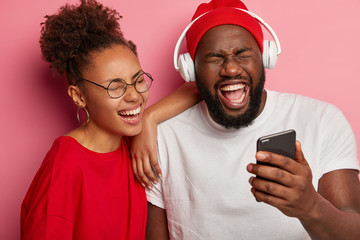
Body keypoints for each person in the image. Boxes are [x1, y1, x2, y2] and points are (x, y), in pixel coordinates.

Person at [131, 0, 360, 239]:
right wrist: (148, 119)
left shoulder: (322, 121)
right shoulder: (162, 138)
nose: (230, 69)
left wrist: (309, 206)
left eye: (242, 54)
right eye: (214, 57)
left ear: (265, 57)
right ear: (190, 70)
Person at [20, 0, 199, 239]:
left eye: (138, 80)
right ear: (79, 96)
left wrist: (150, 118)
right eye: (115, 87)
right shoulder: (66, 164)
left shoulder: (130, 143)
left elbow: (198, 87)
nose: (134, 95)